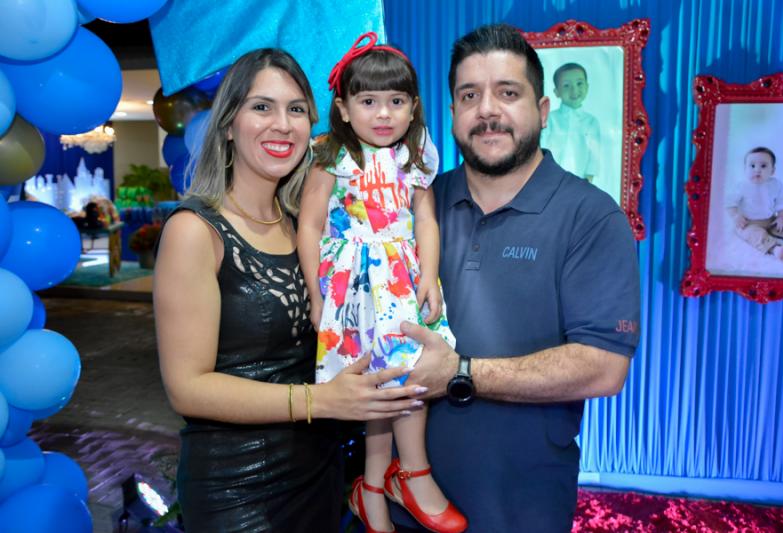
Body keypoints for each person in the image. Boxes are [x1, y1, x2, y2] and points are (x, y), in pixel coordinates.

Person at [153, 48, 427, 533]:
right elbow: (187, 388)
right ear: (228, 124)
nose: (282, 124)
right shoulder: (195, 230)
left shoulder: (313, 228)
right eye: (262, 107)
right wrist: (321, 402)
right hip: (238, 489)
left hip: (322, 475)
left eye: (296, 109)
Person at [394, 24, 641, 532]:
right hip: (401, 505)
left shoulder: (591, 217)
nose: (487, 111)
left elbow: (603, 367)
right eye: (470, 96)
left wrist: (461, 372)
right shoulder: (414, 206)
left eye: (508, 93)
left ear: (543, 110)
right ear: (452, 113)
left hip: (521, 509)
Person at [298, 33, 467, 533]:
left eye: (396, 101)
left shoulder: (414, 153)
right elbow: (309, 224)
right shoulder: (331, 154)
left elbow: (426, 219)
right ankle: (388, 482)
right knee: (378, 381)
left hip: (398, 278)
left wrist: (429, 275)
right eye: (368, 101)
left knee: (407, 370)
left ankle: (397, 478)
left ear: (413, 107)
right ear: (344, 108)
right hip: (352, 284)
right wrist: (316, 295)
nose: (383, 113)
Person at [725, 146, 783, 260]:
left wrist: (782, 217)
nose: (757, 170)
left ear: (772, 171)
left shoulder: (775, 184)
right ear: (745, 169)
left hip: (770, 219)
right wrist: (736, 216)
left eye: (763, 166)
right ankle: (774, 248)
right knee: (753, 235)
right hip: (748, 222)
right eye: (752, 166)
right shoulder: (741, 186)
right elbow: (730, 202)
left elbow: (782, 202)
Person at [540, 62, 601, 183]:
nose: (574, 90)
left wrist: (588, 180)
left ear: (587, 87)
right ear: (557, 92)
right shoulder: (550, 118)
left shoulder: (591, 122)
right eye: (566, 85)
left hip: (579, 179)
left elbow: (594, 156)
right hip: (551, 177)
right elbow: (541, 147)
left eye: (579, 83)